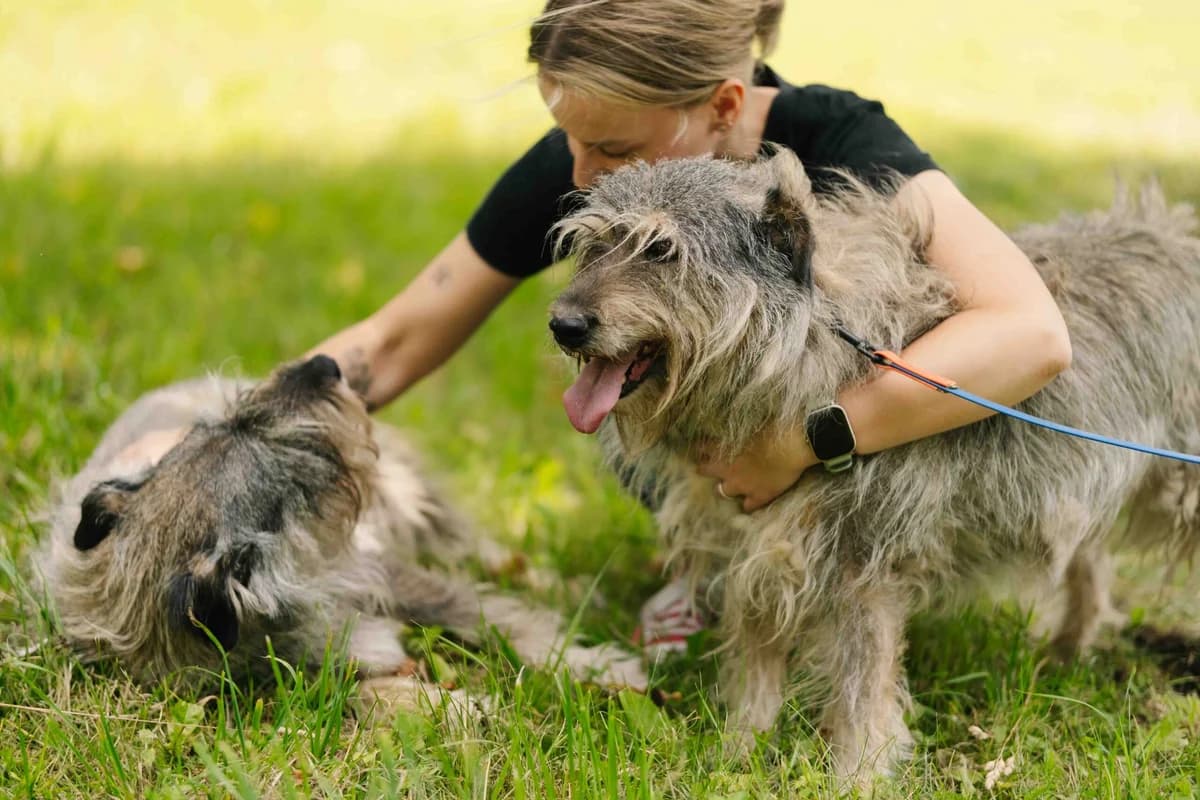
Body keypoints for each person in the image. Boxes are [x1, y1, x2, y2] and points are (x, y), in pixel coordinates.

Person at [311, 0, 1072, 654]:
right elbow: (397, 339)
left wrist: (804, 440)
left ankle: (815, 578)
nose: (578, 175)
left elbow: (1030, 333)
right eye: (567, 139)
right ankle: (709, 571)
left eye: (611, 149)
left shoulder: (848, 146)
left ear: (725, 107)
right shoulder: (599, 152)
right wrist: (234, 421)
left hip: (861, 476)